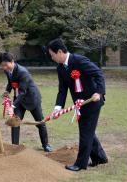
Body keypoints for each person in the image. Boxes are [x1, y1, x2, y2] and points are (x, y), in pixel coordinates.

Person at [45, 38, 108, 171]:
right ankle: (100, 158)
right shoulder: (60, 68)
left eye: (52, 55)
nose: (52, 58)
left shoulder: (79, 60)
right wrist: (57, 108)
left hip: (92, 101)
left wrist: (99, 92)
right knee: (88, 131)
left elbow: (98, 74)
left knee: (85, 132)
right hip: (80, 104)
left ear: (60, 52)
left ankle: (80, 164)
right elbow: (62, 90)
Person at [0, 52, 52, 152]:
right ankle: (14, 146)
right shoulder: (7, 71)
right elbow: (11, 82)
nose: (4, 67)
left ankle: (46, 145)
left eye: (6, 65)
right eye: (2, 65)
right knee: (15, 122)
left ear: (12, 62)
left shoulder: (23, 72)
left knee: (40, 122)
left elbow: (23, 92)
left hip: (32, 99)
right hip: (19, 100)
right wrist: (8, 91)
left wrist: (13, 106)